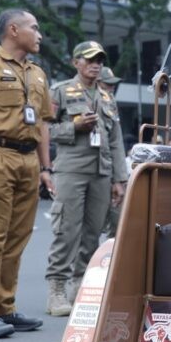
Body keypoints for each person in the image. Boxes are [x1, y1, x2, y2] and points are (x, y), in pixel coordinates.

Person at [0, 9, 54, 339]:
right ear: (13, 30)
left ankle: (5, 308)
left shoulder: (38, 73)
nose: (39, 34)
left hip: (28, 160)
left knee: (17, 238)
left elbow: (42, 124)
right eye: (34, 28)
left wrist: (46, 168)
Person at [44, 42, 128, 316]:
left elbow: (116, 142)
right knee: (66, 230)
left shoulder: (106, 97)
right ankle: (56, 290)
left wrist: (120, 179)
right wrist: (74, 127)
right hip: (71, 170)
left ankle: (80, 284)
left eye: (100, 60)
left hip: (101, 173)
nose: (96, 64)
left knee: (93, 233)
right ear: (76, 62)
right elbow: (44, 130)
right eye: (90, 59)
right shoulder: (60, 91)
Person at [97, 66, 124, 240]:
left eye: (113, 85)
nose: (111, 88)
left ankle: (110, 263)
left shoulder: (111, 104)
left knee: (117, 222)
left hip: (108, 172)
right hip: (86, 171)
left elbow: (116, 143)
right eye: (108, 84)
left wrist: (120, 179)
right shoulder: (75, 95)